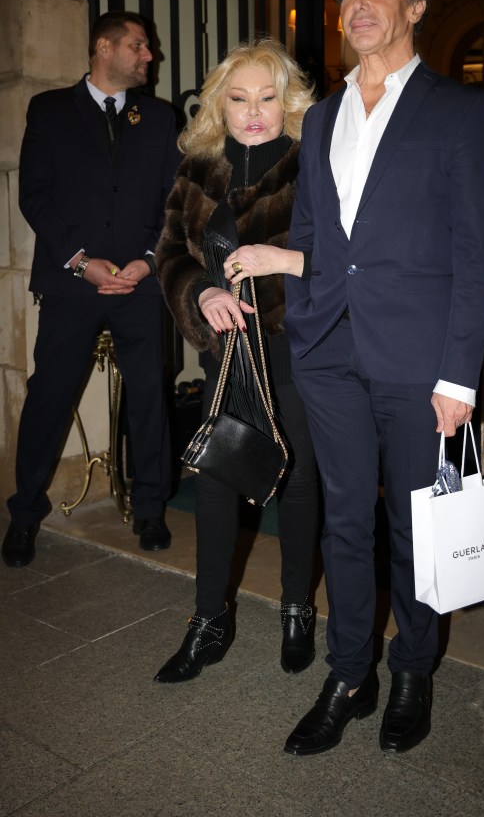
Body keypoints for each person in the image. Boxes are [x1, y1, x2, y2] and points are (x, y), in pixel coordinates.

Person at [226, 0, 484, 756]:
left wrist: (460, 375)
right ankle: (351, 671)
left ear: (414, 5)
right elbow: (321, 238)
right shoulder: (321, 122)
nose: (359, 3)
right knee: (344, 520)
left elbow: (475, 253)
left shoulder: (459, 112)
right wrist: (292, 277)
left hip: (422, 363)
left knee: (417, 524)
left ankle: (412, 667)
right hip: (330, 352)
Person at [154, 38, 320, 683]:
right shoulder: (199, 167)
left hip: (299, 348)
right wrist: (201, 291)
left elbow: (346, 258)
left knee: (301, 481)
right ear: (220, 103)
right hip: (229, 353)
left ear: (290, 101)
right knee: (219, 478)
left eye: (268, 97)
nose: (254, 112)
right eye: (240, 97)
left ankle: (297, 607)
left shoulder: (318, 166)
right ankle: (208, 619)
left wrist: (277, 266)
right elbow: (171, 252)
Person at [2, 11, 181, 569]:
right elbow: (35, 196)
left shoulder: (158, 116)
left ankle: (151, 508)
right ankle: (25, 515)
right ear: (103, 47)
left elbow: (174, 201)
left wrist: (150, 262)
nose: (148, 56)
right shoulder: (50, 110)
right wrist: (82, 264)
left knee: (151, 399)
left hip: (141, 286)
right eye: (138, 45)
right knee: (49, 399)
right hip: (72, 285)